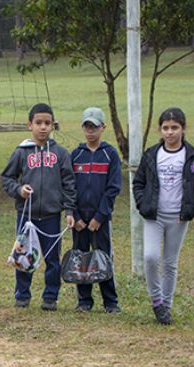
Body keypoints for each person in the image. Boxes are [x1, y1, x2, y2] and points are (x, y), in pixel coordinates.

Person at [132, 107, 194, 325]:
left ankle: (166, 306)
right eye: (165, 128)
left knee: (169, 263)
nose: (170, 132)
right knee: (150, 257)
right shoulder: (152, 155)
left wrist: (193, 207)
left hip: (178, 217)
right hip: (153, 216)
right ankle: (156, 301)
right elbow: (139, 182)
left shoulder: (193, 156)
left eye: (174, 128)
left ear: (183, 129)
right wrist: (142, 203)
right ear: (160, 129)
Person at [0, 103, 76, 311]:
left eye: (47, 123)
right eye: (38, 123)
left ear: (53, 126)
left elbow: (69, 183)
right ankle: (22, 295)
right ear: (29, 125)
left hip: (51, 215)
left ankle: (50, 296)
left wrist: (69, 210)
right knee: (23, 256)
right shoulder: (21, 152)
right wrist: (19, 189)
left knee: (52, 258)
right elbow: (6, 177)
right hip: (27, 215)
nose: (43, 127)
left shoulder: (60, 153)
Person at [70, 106, 123, 313]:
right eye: (87, 126)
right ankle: (84, 300)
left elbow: (113, 188)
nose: (90, 130)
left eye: (95, 126)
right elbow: (69, 187)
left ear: (103, 128)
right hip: (80, 221)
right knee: (81, 258)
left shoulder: (110, 155)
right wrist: (76, 216)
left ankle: (110, 301)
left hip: (100, 220)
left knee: (103, 257)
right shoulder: (76, 155)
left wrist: (100, 216)